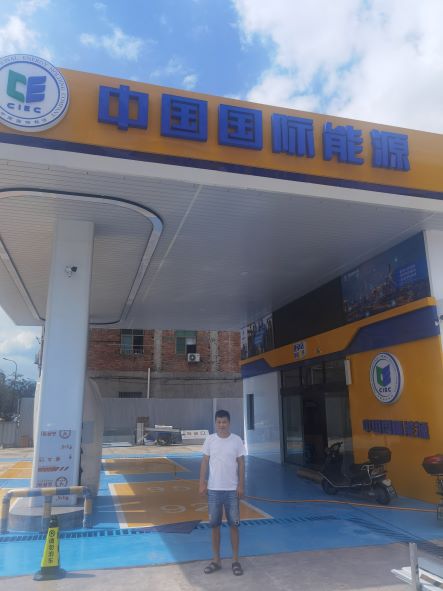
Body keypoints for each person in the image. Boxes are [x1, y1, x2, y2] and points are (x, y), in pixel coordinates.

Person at [199, 409, 245, 576]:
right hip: (214, 491)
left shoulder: (237, 440)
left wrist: (241, 485)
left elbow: (241, 463)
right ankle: (216, 560)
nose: (221, 425)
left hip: (232, 491)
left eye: (224, 422)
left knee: (234, 526)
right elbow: (205, 462)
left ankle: (235, 560)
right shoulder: (210, 440)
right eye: (218, 422)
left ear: (229, 423)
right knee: (214, 526)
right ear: (215, 423)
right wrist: (201, 482)